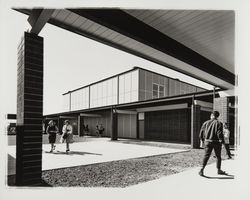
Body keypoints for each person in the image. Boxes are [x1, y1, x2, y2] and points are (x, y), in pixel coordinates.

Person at [198, 111, 226, 176]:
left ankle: (202, 169)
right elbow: (219, 133)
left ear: (212, 115)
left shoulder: (205, 123)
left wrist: (203, 140)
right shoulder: (219, 123)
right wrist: (222, 142)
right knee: (218, 156)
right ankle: (219, 170)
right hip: (216, 142)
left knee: (206, 155)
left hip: (207, 141)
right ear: (217, 116)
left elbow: (201, 134)